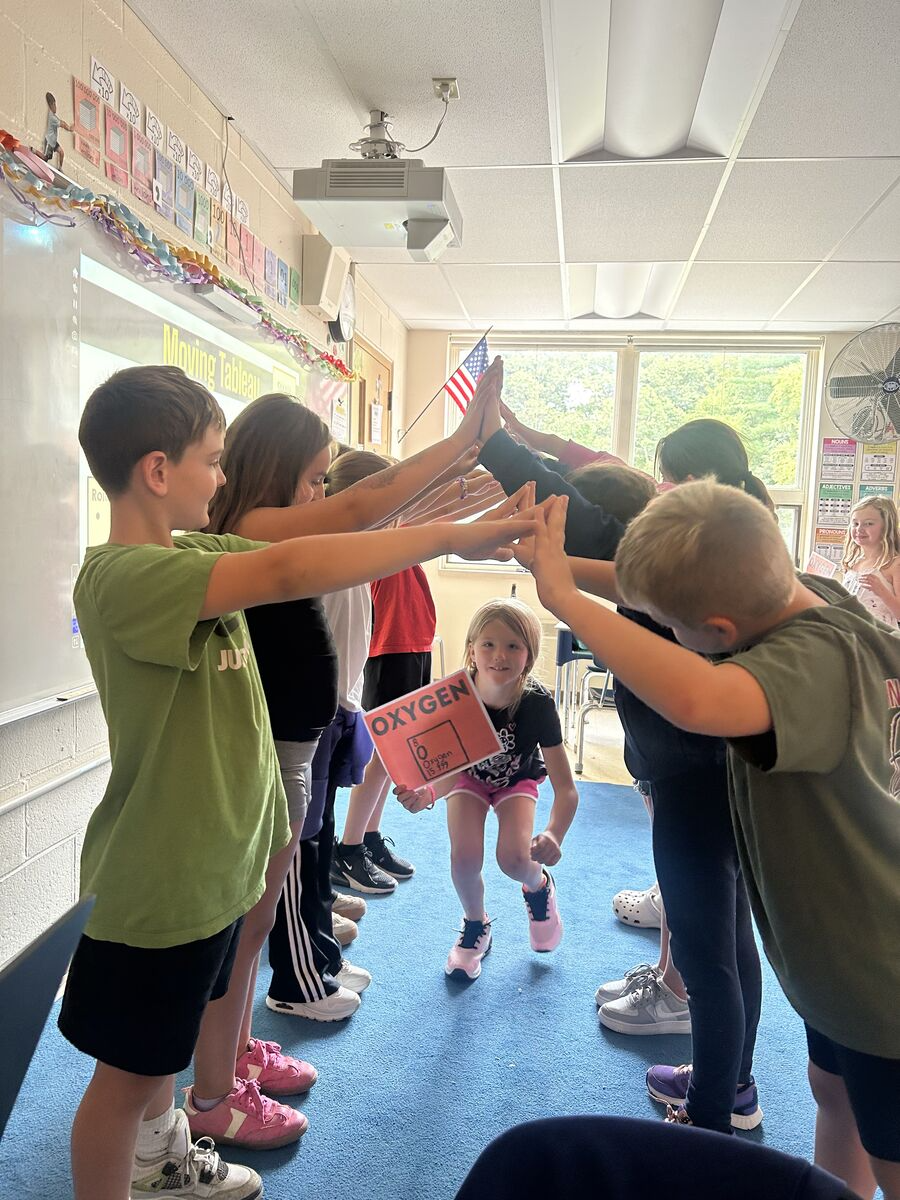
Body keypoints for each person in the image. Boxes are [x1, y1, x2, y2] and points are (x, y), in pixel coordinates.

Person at [62, 364, 535, 1200]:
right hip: (163, 880)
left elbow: (342, 523)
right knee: (126, 1079)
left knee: (161, 1055)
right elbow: (289, 571)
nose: (222, 478)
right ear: (158, 471)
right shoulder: (125, 576)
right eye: (212, 461)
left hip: (214, 865)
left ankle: (163, 1154)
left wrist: (464, 448)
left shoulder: (193, 549)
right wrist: (445, 535)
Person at [529, 483, 900, 1200]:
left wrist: (566, 602)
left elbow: (697, 699)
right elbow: (668, 589)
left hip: (877, 976)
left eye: (668, 625)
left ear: (719, 630)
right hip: (840, 967)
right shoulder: (814, 596)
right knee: (834, 1091)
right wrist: (559, 565)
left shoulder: (806, 665)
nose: (660, 628)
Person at [480, 402, 766, 1139]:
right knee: (730, 944)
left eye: (670, 480)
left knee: (708, 958)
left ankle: (710, 1121)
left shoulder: (676, 565)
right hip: (713, 775)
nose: (658, 489)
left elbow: (580, 512)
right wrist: (526, 450)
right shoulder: (718, 546)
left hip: (693, 783)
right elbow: (595, 494)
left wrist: (496, 444)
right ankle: (730, 1086)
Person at [395, 596, 579, 980]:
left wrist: (554, 834)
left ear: (530, 656)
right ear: (471, 650)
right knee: (463, 860)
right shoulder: (456, 697)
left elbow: (567, 788)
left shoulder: (538, 704)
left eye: (513, 645)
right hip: (468, 779)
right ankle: (476, 924)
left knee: (514, 860)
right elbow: (449, 767)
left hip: (517, 780)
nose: (500, 655)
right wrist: (427, 793)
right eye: (489, 644)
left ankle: (538, 888)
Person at [840, 495, 900, 627]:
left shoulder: (894, 564)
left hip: (879, 634)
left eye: (869, 523)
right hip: (851, 631)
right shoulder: (853, 561)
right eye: (855, 524)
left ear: (886, 527)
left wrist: (881, 591)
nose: (859, 529)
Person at [39, 92, 72, 168]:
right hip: (49, 141)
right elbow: (62, 123)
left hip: (53, 141)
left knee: (61, 152)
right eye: (54, 105)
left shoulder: (52, 115)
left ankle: (60, 168)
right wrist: (70, 128)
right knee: (45, 158)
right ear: (51, 105)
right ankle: (33, 150)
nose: (56, 107)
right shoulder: (52, 117)